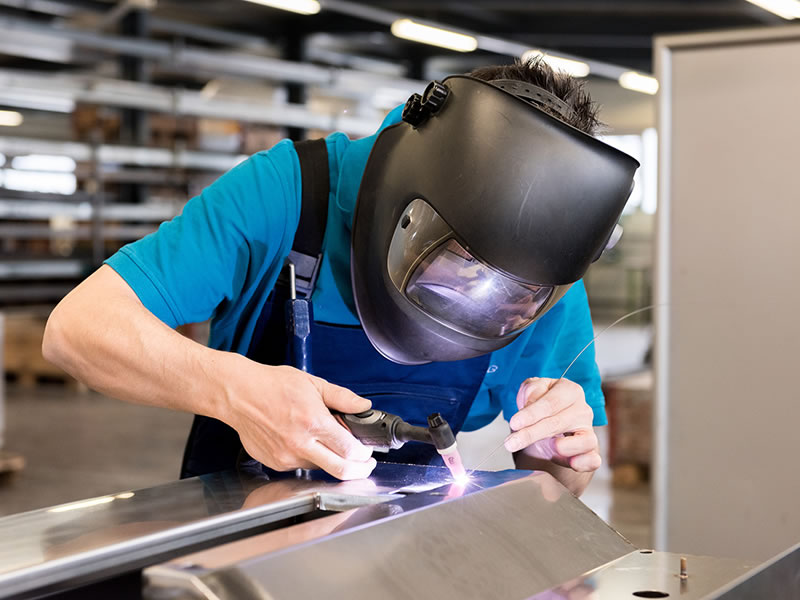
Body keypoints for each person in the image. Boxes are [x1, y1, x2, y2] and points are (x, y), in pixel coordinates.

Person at [42, 57, 638, 496]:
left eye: (509, 289)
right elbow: (78, 330)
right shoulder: (287, 192)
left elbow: (560, 483)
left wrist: (559, 454)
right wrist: (237, 391)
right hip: (239, 542)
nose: (476, 291)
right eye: (454, 260)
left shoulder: (539, 279)